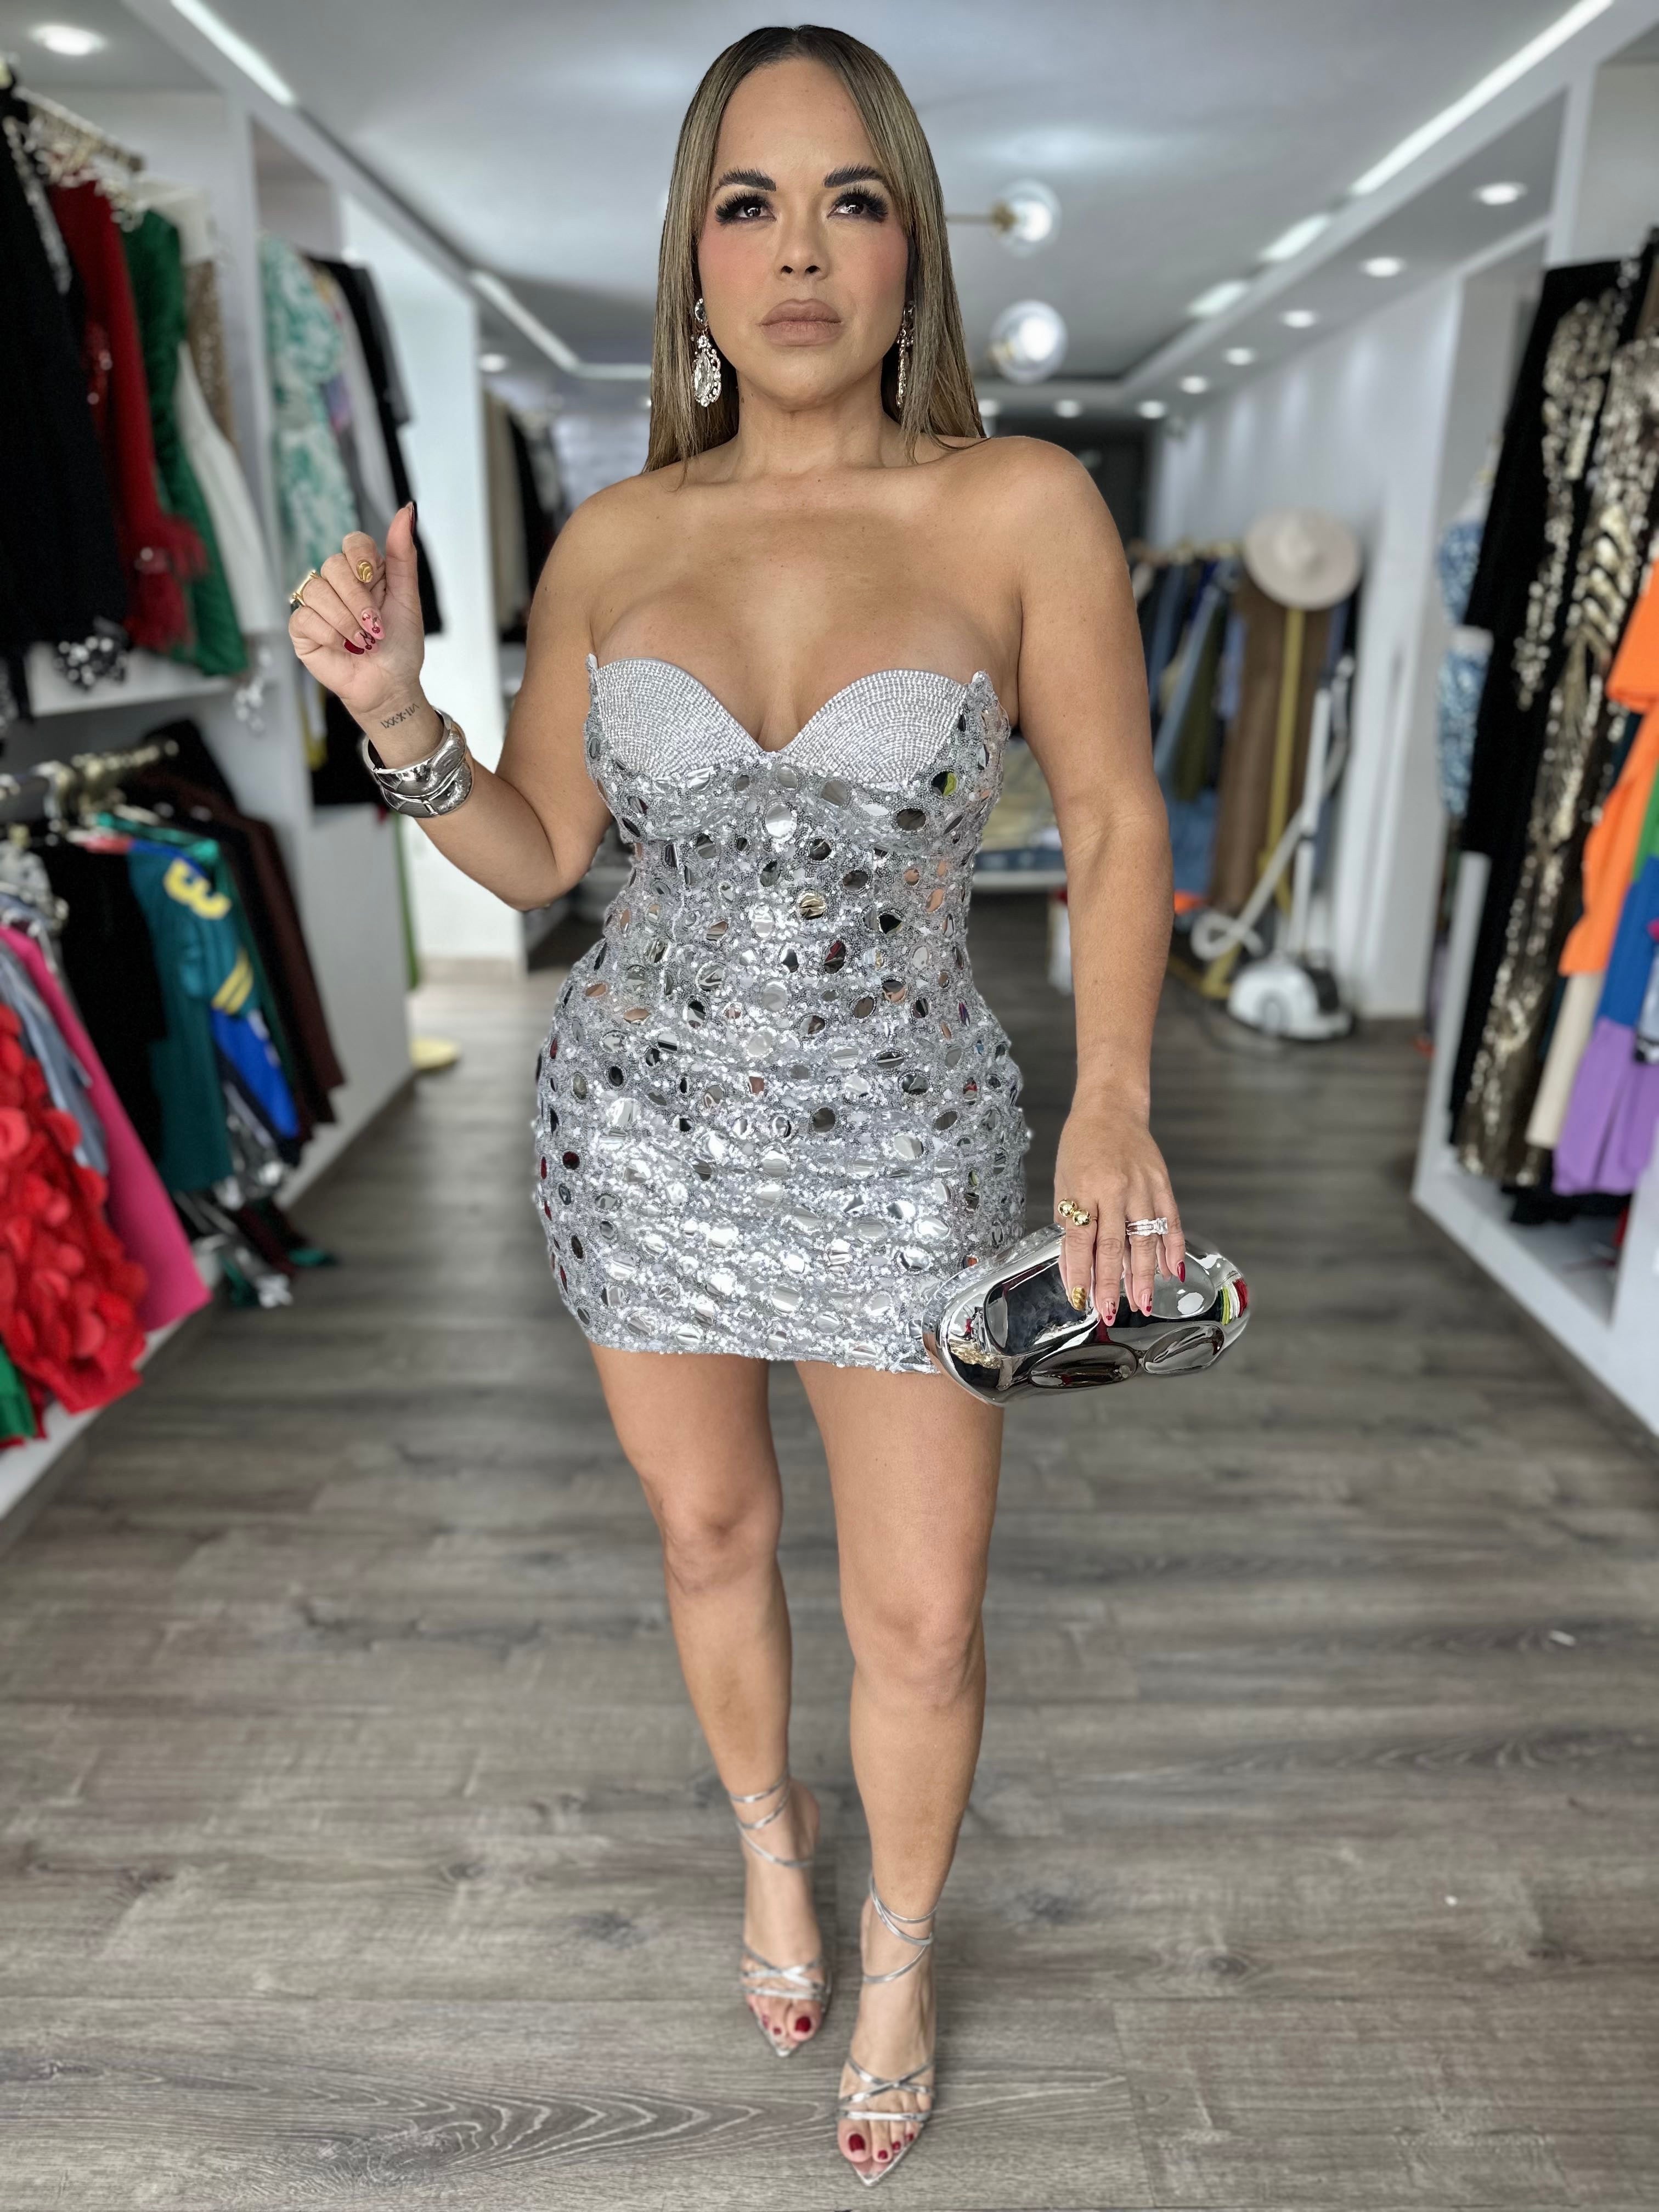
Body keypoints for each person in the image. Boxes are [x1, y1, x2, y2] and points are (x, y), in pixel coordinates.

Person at [285, 22, 1178, 2188]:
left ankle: (900, 1951)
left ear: (911, 252)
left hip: (914, 1152)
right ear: (692, 258)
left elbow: (1114, 812)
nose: (799, 254)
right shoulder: (613, 540)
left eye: (850, 202)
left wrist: (1115, 1099)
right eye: (748, 205)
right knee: (705, 1533)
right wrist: (399, 717)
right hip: (641, 1135)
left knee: (924, 1616)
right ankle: (771, 1843)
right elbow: (538, 854)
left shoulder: (1018, 505)